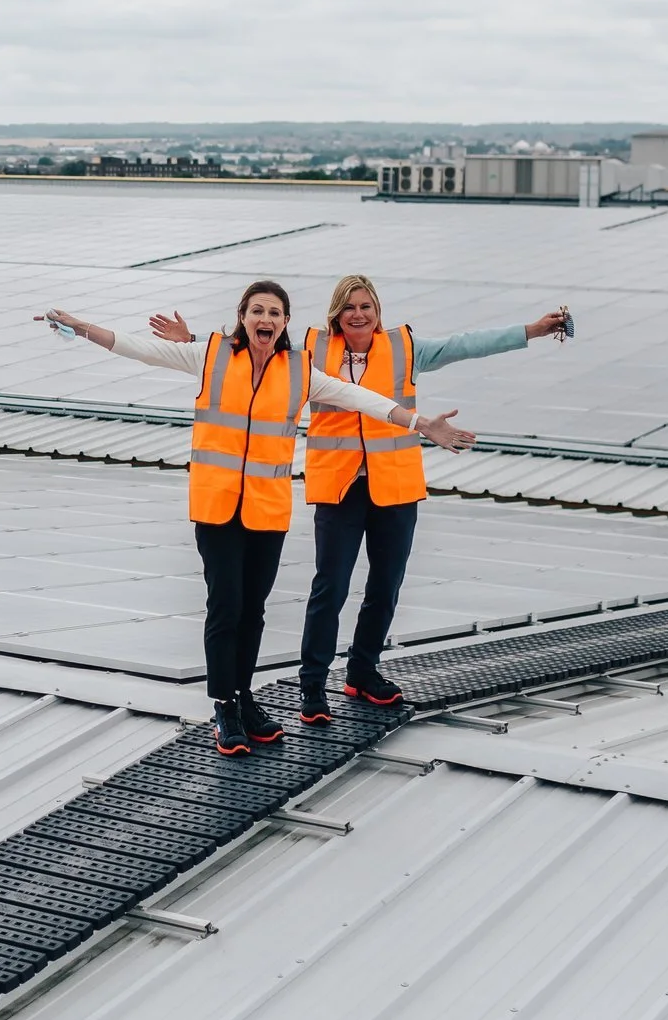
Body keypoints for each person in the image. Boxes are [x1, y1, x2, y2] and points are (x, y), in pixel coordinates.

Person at [41, 281, 476, 757]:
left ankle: (244, 698)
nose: (265, 319)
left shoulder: (299, 371)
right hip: (218, 507)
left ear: (285, 322)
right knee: (226, 606)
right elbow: (139, 349)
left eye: (274, 312)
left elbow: (361, 398)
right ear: (243, 317)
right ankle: (224, 707)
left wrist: (420, 423)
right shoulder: (211, 356)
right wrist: (82, 327)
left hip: (267, 510)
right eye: (257, 311)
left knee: (253, 611)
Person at [162, 274, 570, 725]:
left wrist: (532, 331)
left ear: (378, 312)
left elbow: (466, 345)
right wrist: (194, 342)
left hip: (394, 484)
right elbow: (256, 353)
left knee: (385, 586)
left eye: (366, 307)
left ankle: (362, 671)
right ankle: (313, 685)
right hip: (339, 485)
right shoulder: (312, 351)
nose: (358, 315)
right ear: (335, 314)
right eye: (349, 307)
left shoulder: (406, 349)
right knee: (330, 587)